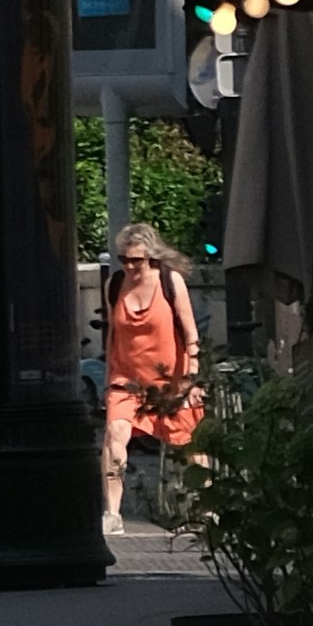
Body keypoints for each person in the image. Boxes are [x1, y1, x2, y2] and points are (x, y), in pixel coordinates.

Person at [100, 218, 203, 519]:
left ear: (151, 257)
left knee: (190, 445)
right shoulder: (115, 284)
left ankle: (206, 512)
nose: (130, 267)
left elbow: (190, 332)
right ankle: (112, 513)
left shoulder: (171, 282)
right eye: (124, 260)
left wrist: (192, 378)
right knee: (114, 433)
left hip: (172, 381)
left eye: (137, 261)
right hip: (126, 381)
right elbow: (113, 334)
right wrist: (108, 377)